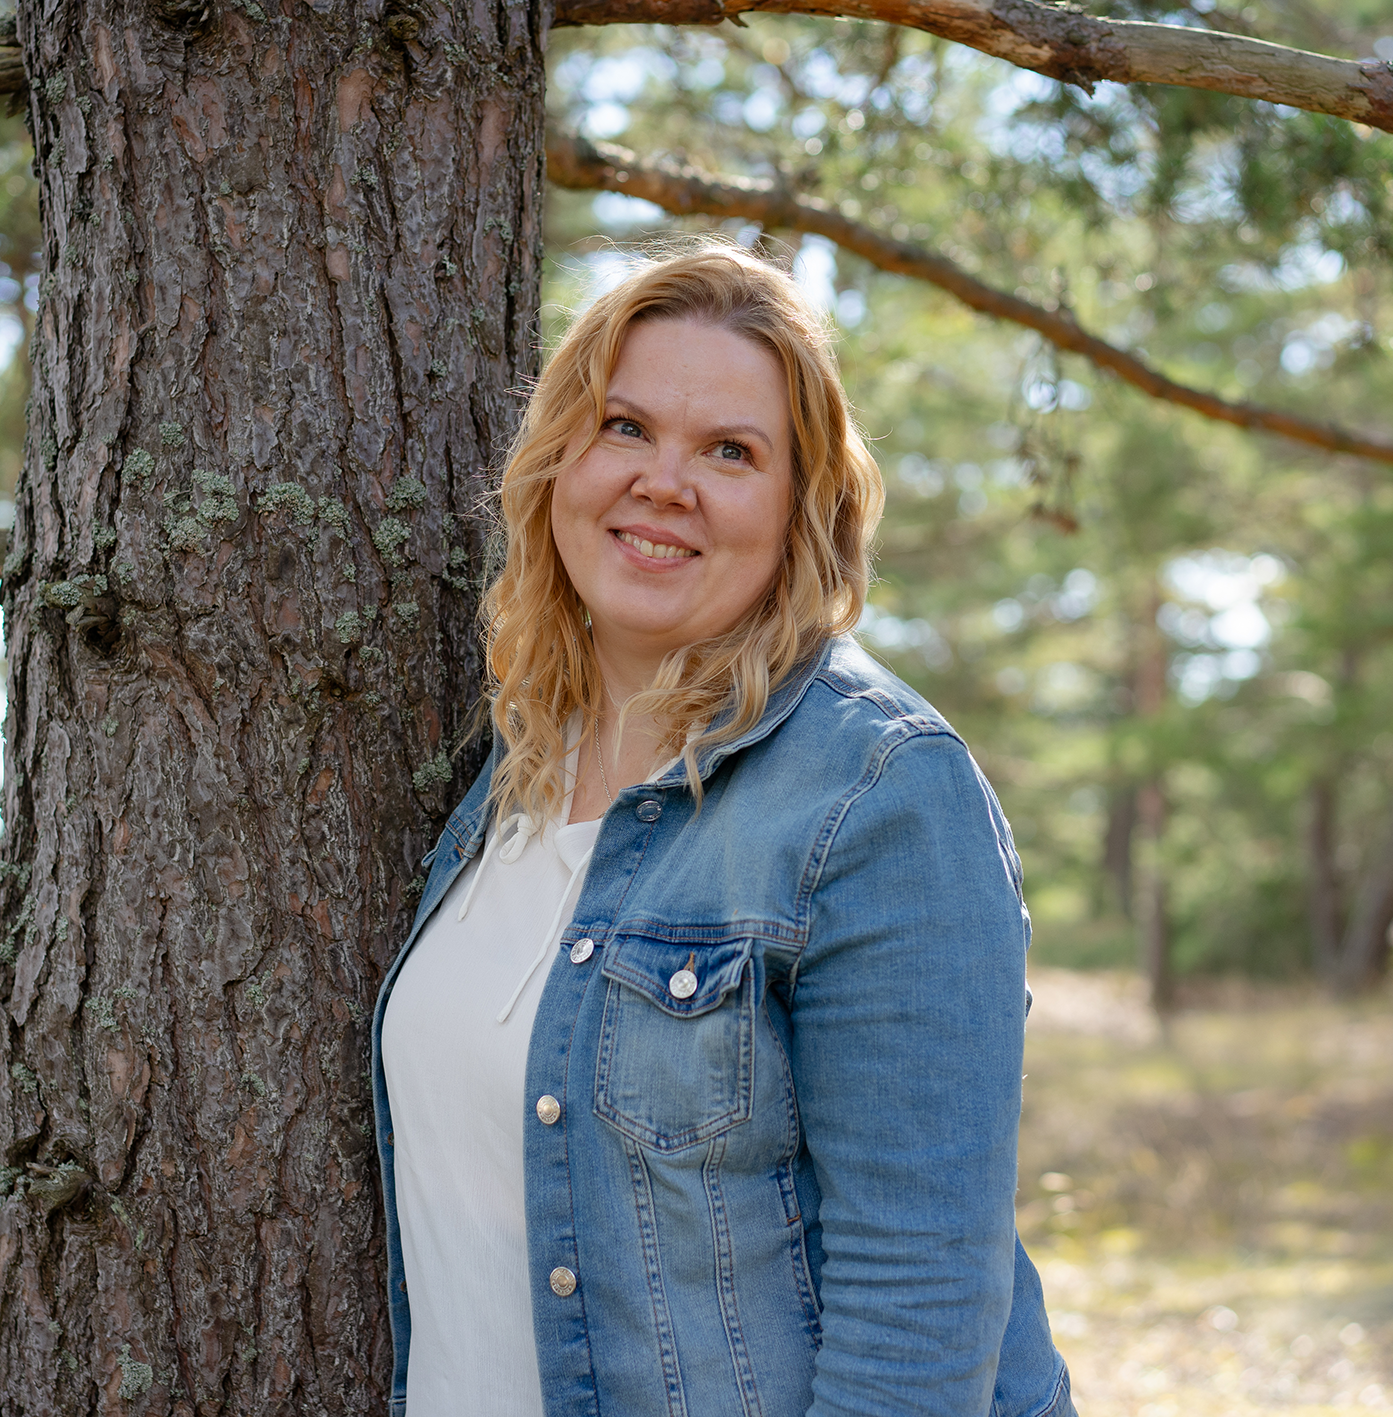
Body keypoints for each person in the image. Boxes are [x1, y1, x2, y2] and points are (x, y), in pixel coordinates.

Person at [371, 242, 1075, 1417]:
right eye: (625, 428)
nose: (664, 483)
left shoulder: (879, 792)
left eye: (730, 452)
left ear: (800, 510)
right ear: (558, 462)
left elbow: (918, 1310)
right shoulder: (507, 776)